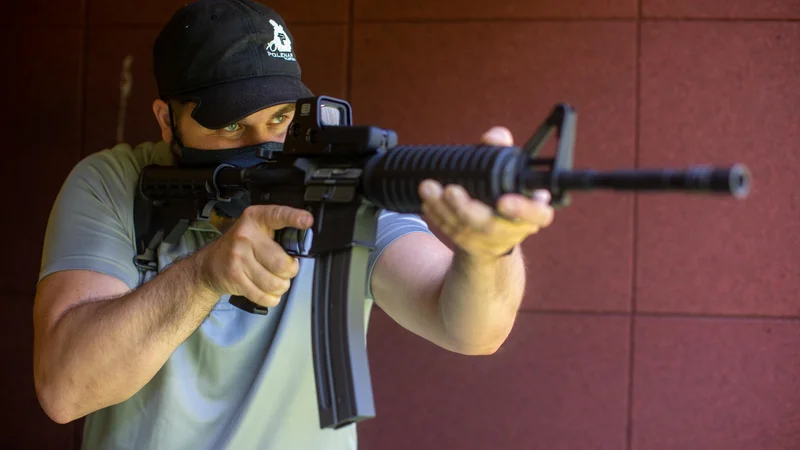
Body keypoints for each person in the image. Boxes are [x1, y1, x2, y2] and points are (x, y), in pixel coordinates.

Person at [31, 0, 554, 449]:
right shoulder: (113, 183)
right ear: (167, 119)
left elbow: (472, 330)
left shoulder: (348, 181)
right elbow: (64, 390)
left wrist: (489, 252)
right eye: (232, 125)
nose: (262, 143)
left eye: (280, 118)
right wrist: (204, 276)